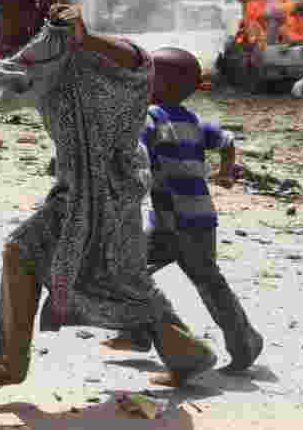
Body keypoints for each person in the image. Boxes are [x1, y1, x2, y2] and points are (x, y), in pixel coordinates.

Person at [0, 0, 217, 388]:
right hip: (84, 188)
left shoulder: (90, 54)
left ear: (37, 14)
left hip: (108, 189)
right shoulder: (47, 63)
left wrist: (86, 37)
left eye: (3, 11)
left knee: (30, 254)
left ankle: (7, 364)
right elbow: (12, 82)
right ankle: (188, 353)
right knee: (118, 280)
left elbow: (139, 62)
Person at [99, 47, 264, 373]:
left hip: (181, 221)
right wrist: (226, 172)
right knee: (151, 274)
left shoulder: (151, 117)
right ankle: (137, 333)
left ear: (161, 84)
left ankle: (245, 341)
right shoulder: (194, 121)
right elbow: (227, 140)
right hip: (184, 219)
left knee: (143, 274)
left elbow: (137, 147)